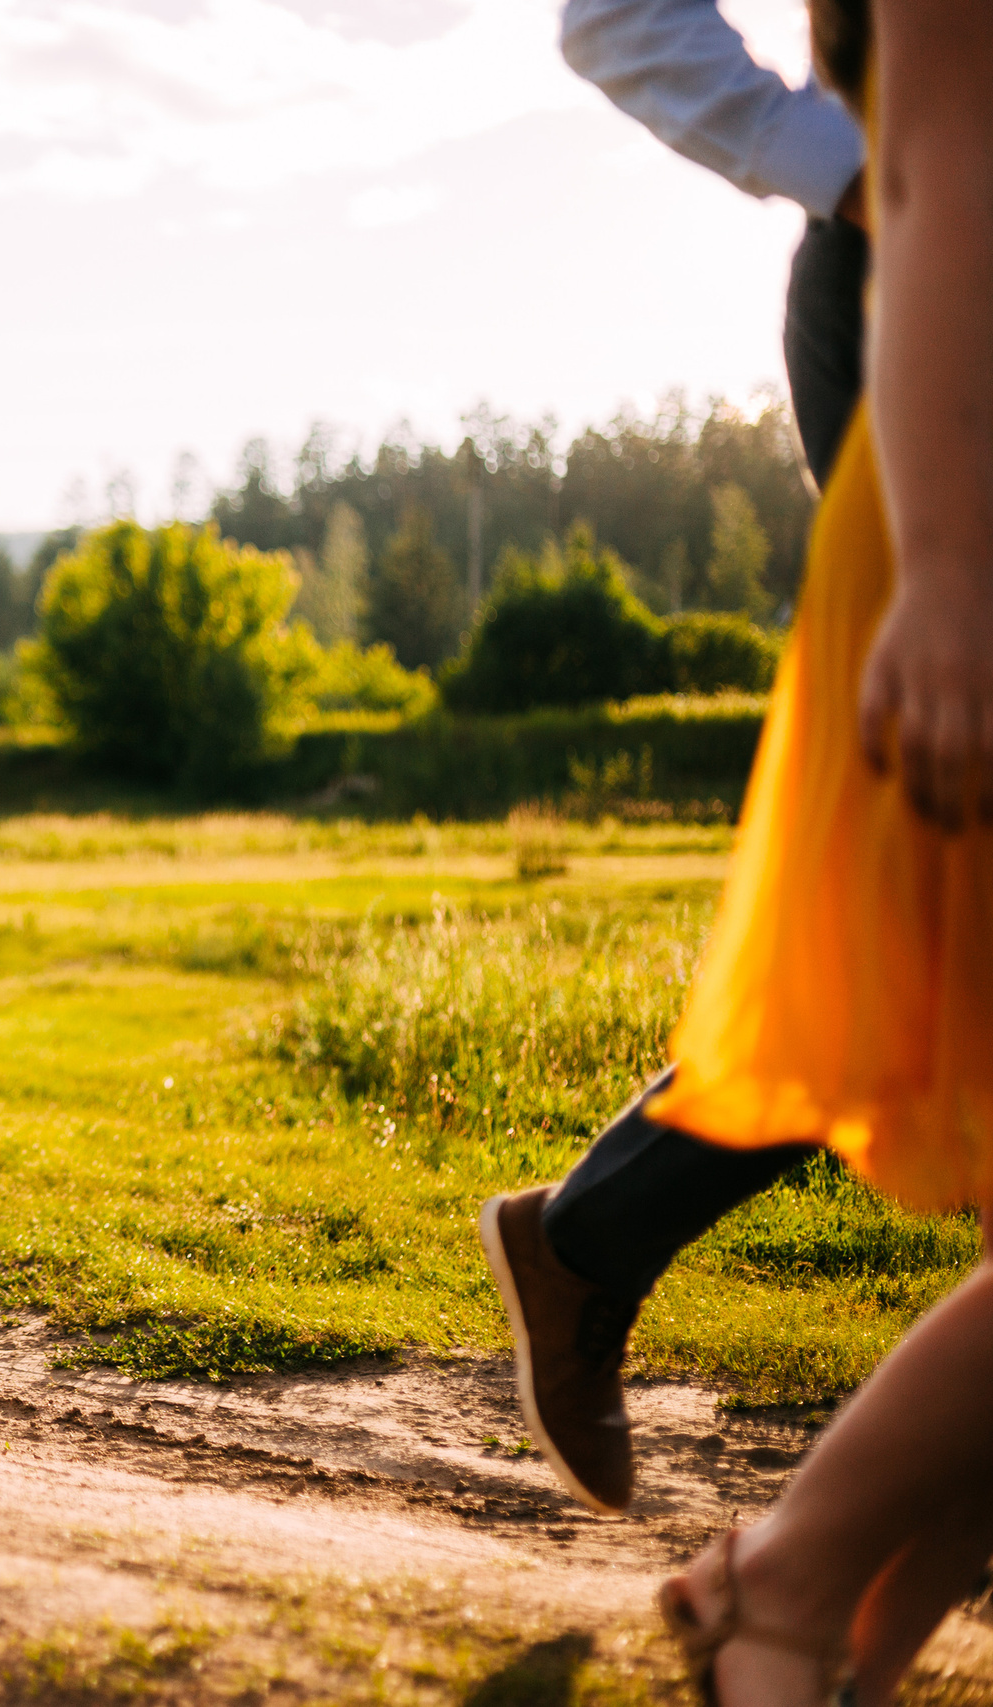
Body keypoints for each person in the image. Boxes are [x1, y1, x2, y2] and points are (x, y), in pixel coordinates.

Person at [477, 0, 875, 1519]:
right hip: (927, 298)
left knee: (934, 935)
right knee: (933, 918)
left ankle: (598, 1236)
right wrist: (836, 158)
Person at [643, 0, 993, 1697]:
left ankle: (844, 1639)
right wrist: (948, 571)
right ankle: (791, 1590)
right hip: (973, 506)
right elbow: (940, 169)